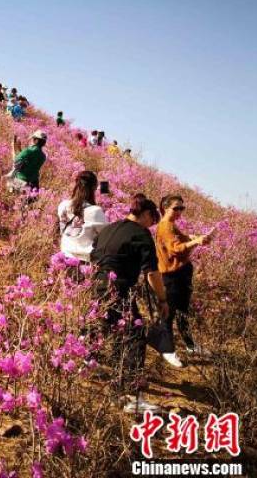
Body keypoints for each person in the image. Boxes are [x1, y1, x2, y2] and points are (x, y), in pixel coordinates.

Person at [90, 193, 168, 413]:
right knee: (134, 338)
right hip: (119, 290)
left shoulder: (108, 228)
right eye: (153, 219)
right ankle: (131, 397)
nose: (153, 225)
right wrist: (162, 299)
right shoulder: (141, 234)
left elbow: (94, 256)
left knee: (118, 338)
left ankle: (117, 393)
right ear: (144, 214)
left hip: (95, 288)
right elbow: (152, 273)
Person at [155, 195, 212, 367]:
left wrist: (193, 237)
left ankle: (190, 345)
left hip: (180, 275)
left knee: (182, 312)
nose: (179, 211)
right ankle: (167, 350)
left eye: (182, 208)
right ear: (165, 208)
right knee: (169, 314)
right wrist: (196, 242)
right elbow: (176, 249)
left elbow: (180, 239)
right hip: (172, 277)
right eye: (176, 208)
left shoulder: (171, 226)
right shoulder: (165, 226)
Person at [57, 171, 108, 263]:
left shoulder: (63, 205)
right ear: (94, 188)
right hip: (84, 262)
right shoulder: (95, 211)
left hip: (64, 257)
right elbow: (106, 236)